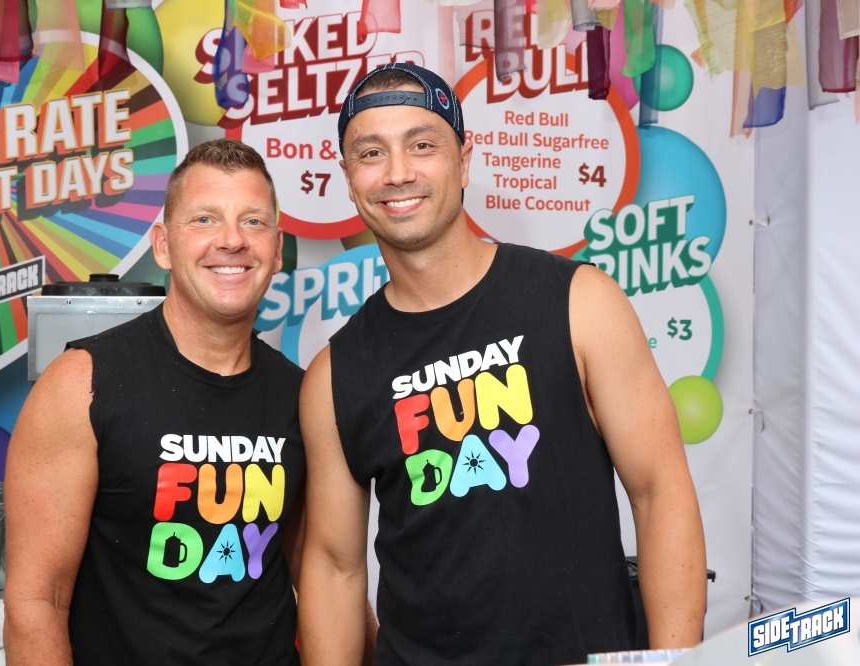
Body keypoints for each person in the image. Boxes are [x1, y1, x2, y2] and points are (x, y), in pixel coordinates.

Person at [297, 63, 707, 665]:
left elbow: (659, 491)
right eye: (371, 153)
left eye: (422, 145)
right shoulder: (333, 375)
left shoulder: (579, 301)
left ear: (464, 161)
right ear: (349, 178)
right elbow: (335, 568)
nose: (398, 172)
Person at [4, 138, 306, 665]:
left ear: (277, 250)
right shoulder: (80, 384)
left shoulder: (302, 395)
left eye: (254, 222)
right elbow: (36, 604)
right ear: (163, 246)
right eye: (205, 220)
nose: (232, 240)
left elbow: (325, 572)